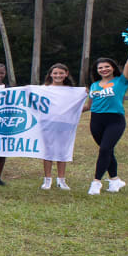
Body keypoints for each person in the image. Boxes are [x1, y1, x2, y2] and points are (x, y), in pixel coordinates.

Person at [85, 50, 128, 195]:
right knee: (107, 150)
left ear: (113, 67)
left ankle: (96, 182)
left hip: (115, 121)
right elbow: (89, 106)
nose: (103, 69)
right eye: (100, 68)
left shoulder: (121, 81)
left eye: (107, 66)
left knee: (105, 149)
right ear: (97, 71)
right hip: (96, 121)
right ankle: (115, 180)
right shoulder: (94, 85)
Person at [40, 63, 73, 191]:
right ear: (50, 74)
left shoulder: (71, 91)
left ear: (66, 74)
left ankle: (61, 180)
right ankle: (47, 179)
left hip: (65, 124)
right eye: (55, 73)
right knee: (48, 151)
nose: (58, 75)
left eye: (61, 73)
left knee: (62, 151)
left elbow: (76, 107)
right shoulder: (44, 89)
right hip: (47, 123)